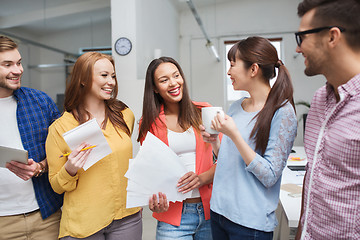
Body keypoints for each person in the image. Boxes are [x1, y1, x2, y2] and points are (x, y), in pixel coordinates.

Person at [203, 36, 297, 240]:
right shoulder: (237, 106)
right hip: (219, 212)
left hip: (248, 223)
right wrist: (216, 142)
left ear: (253, 69)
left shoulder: (283, 113)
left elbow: (270, 175)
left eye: (233, 65)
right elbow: (229, 158)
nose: (228, 72)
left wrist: (235, 135)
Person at [45, 52, 142, 239]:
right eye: (104, 75)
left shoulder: (124, 115)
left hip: (127, 216)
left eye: (113, 76)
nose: (111, 82)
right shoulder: (60, 128)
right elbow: (56, 186)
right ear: (83, 79)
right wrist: (70, 169)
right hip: (85, 223)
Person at [294, 1, 360, 239]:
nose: (298, 49)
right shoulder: (320, 99)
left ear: (332, 37)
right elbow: (312, 173)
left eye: (302, 37)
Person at [137, 56, 216, 240]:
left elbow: (226, 159)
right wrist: (154, 199)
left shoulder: (204, 111)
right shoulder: (149, 123)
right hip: (173, 219)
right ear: (155, 88)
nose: (173, 83)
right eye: (164, 80)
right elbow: (150, 172)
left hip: (210, 212)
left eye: (176, 76)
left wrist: (202, 178)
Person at [0, 35, 63, 239]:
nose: (18, 70)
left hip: (46, 216)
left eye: (19, 63)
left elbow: (65, 149)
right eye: (7, 64)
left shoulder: (40, 101)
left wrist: (41, 167)